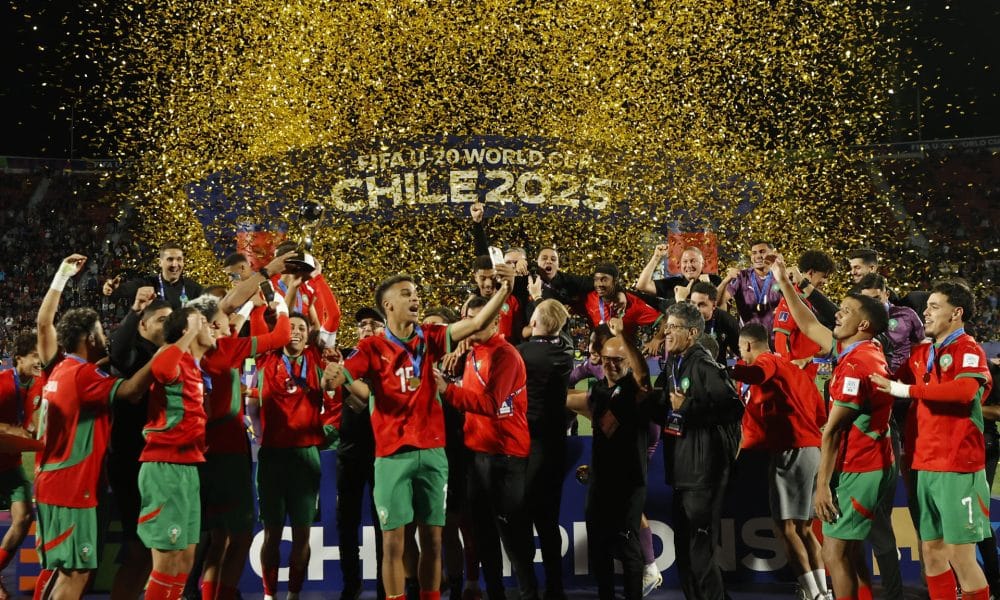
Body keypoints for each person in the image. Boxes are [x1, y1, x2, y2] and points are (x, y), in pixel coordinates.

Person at [324, 266, 517, 600]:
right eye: (405, 293)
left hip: (432, 453)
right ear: (388, 306)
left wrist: (504, 292)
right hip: (391, 455)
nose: (415, 297)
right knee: (394, 542)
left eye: (415, 292)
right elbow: (341, 375)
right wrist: (331, 376)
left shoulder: (429, 337)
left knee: (433, 540)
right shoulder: (371, 347)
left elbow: (474, 324)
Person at [770, 253, 896, 600]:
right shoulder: (858, 349)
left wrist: (822, 485)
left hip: (859, 465)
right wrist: (784, 281)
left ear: (864, 324)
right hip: (866, 461)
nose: (837, 314)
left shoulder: (857, 365)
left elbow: (834, 430)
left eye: (845, 311)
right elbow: (809, 324)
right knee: (850, 552)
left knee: (834, 553)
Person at [872, 281, 994, 600]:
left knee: (960, 556)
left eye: (934, 306)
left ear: (957, 313)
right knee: (932, 553)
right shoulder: (923, 353)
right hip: (924, 465)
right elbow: (887, 377)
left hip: (958, 467)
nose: (925, 312)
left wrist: (908, 391)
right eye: (926, 307)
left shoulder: (967, 349)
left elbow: (966, 391)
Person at [35, 307, 154, 600]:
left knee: (63, 572)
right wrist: (162, 358)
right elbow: (129, 392)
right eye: (102, 332)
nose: (106, 338)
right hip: (74, 488)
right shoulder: (84, 375)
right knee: (77, 574)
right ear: (89, 337)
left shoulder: (61, 369)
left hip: (52, 482)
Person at [434, 295, 538, 600]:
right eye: (468, 319)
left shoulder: (505, 355)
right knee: (483, 535)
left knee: (513, 538)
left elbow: (493, 404)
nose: (471, 326)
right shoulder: (473, 351)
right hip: (479, 455)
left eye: (479, 320)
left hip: (505, 456)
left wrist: (447, 390)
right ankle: (495, 594)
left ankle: (530, 594)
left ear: (494, 320)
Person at [196, 291, 292, 600]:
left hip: (204, 454)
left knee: (217, 538)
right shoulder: (226, 349)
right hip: (231, 455)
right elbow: (281, 336)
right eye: (225, 322)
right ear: (212, 325)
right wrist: (282, 305)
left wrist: (252, 305)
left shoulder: (196, 352)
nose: (230, 325)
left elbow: (233, 326)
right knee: (238, 537)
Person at [571, 320, 666, 600]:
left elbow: (641, 374)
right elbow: (569, 399)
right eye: (607, 360)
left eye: (618, 360)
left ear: (628, 362)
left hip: (629, 484)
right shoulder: (598, 392)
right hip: (600, 483)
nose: (611, 365)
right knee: (599, 548)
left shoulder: (637, 393)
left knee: (628, 548)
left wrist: (624, 336)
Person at [733, 324, 829, 600]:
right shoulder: (796, 371)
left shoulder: (766, 361)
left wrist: (730, 370)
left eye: (742, 350)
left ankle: (814, 594)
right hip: (812, 449)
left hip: (790, 451)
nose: (743, 355)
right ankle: (823, 591)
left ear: (749, 345)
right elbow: (820, 415)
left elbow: (758, 372)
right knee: (805, 529)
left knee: (786, 528)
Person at [658, 302, 742, 600]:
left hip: (703, 470)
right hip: (683, 467)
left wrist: (689, 408)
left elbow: (733, 407)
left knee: (699, 549)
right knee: (685, 547)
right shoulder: (673, 363)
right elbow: (663, 407)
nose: (667, 333)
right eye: (666, 327)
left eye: (673, 327)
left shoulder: (704, 365)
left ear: (692, 333)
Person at [253, 309, 334, 600]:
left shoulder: (315, 358)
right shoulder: (266, 359)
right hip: (273, 457)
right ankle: (269, 595)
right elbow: (266, 321)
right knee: (272, 534)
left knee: (302, 534)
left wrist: (312, 281)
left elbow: (331, 317)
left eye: (302, 328)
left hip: (305, 457)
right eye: (292, 327)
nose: (296, 332)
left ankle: (294, 594)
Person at [137, 308, 215, 600]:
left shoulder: (194, 366)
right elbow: (161, 370)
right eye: (203, 322)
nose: (210, 327)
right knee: (167, 562)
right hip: (164, 468)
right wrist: (191, 332)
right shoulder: (172, 356)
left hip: (188, 469)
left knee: (184, 560)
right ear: (187, 329)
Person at [106, 290, 172, 600]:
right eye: (161, 320)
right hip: (132, 462)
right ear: (143, 327)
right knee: (139, 551)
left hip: (157, 464)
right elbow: (118, 351)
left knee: (149, 553)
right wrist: (134, 311)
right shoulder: (138, 354)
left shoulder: (171, 354)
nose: (168, 325)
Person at [517, 299, 574, 600]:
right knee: (549, 520)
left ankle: (528, 590)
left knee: (522, 517)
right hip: (555, 443)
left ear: (535, 324)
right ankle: (556, 589)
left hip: (525, 443)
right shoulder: (566, 354)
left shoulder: (521, 354)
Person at [336, 307, 386, 600]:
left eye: (373, 324)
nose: (366, 328)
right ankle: (351, 584)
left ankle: (384, 587)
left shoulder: (390, 360)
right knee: (347, 523)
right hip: (350, 453)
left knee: (384, 525)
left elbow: (363, 399)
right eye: (362, 324)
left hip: (383, 454)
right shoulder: (346, 358)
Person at [0, 333, 41, 598]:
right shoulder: (3, 385)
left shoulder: (39, 385)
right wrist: (15, 430)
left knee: (24, 516)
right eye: (35, 356)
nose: (41, 361)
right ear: (19, 359)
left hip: (11, 465)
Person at [772, 251, 836, 381]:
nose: (826, 281)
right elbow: (781, 339)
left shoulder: (812, 300)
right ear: (811, 273)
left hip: (815, 372)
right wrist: (787, 371)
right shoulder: (792, 299)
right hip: (799, 374)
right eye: (824, 276)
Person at [111, 242, 204, 310]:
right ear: (160, 262)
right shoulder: (147, 284)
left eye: (179, 259)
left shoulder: (194, 288)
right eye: (170, 259)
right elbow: (121, 290)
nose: (175, 264)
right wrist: (112, 288)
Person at [582, 262, 662, 338]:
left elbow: (662, 320)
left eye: (604, 280)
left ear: (615, 281)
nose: (599, 284)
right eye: (596, 280)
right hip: (598, 350)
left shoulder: (632, 303)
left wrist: (657, 338)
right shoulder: (588, 298)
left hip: (622, 350)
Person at [718, 240, 783, 331]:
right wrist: (726, 280)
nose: (758, 256)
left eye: (762, 252)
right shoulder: (742, 277)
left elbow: (796, 302)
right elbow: (717, 301)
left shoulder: (780, 276)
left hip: (776, 338)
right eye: (754, 253)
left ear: (772, 254)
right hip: (749, 338)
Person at [635, 244, 721, 302]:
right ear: (680, 265)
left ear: (702, 264)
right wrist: (656, 257)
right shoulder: (672, 283)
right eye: (685, 261)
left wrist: (708, 286)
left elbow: (721, 304)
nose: (689, 265)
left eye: (693, 261)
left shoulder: (714, 280)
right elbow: (642, 285)